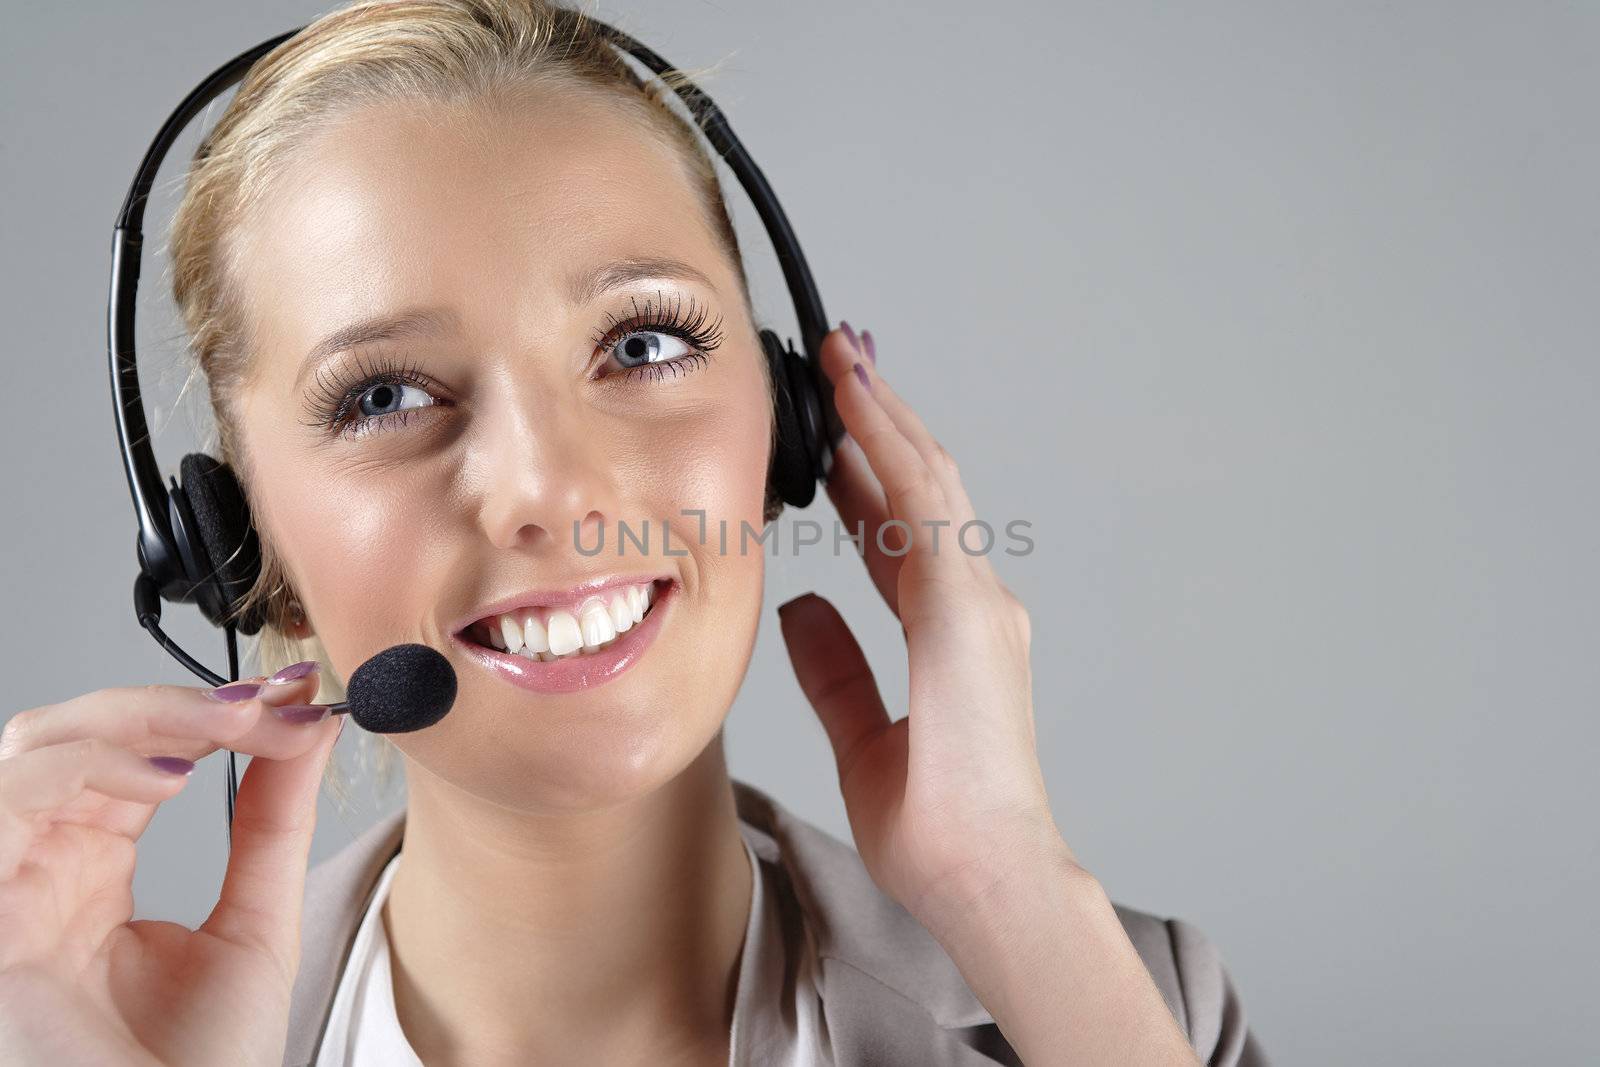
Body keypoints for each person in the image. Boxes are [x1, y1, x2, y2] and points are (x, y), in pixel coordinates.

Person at [0, 2, 1270, 1064]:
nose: (545, 487)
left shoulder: (1118, 1003)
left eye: (642, 343)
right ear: (239, 548)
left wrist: (1014, 897)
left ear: (788, 421)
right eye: (383, 394)